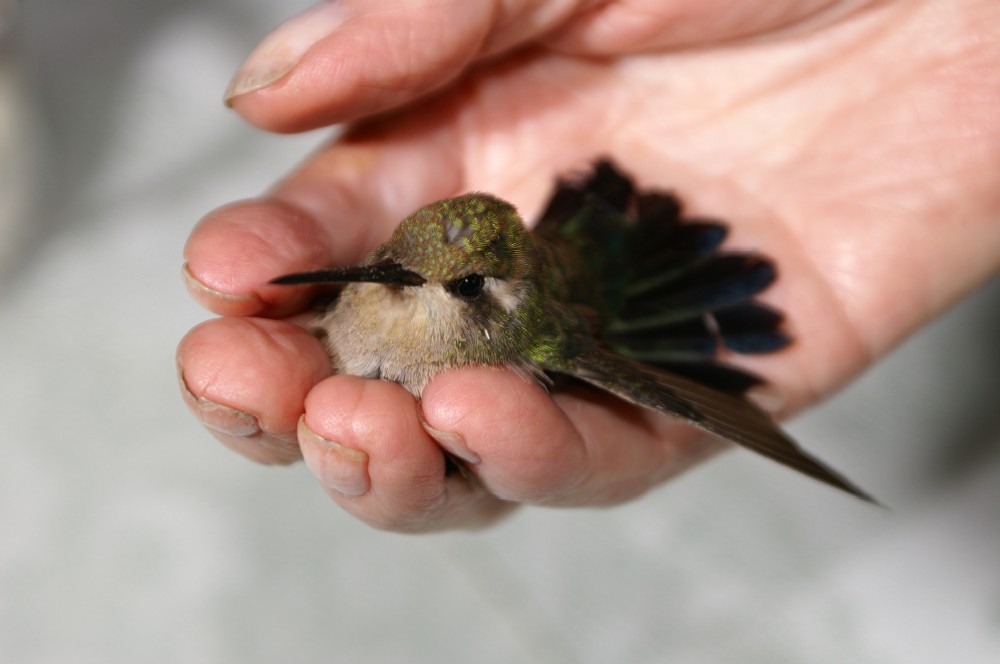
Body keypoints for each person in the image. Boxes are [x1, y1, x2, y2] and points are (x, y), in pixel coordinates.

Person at [177, 0, 1000, 532]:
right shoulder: (366, 286)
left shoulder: (516, 341)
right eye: (394, 261)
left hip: (598, 296)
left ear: (491, 300)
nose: (388, 279)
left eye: (458, 284)